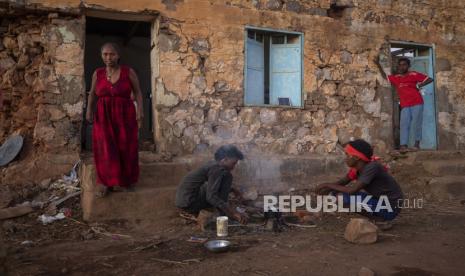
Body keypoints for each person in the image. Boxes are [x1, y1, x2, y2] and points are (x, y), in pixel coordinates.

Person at [86, 42, 144, 197]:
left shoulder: (128, 72)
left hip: (125, 114)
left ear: (118, 56)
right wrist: (89, 111)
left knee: (126, 146)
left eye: (112, 54)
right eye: (105, 54)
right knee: (105, 148)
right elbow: (92, 93)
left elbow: (138, 92)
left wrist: (140, 111)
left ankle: (126, 181)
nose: (108, 57)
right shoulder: (97, 73)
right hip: (103, 115)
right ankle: (106, 182)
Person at [315, 139, 404, 221]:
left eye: (347, 155)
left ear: (356, 157)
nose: (345, 158)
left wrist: (326, 185)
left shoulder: (372, 168)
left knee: (342, 198)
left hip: (390, 208)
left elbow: (351, 190)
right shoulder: (357, 170)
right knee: (334, 193)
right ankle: (376, 218)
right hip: (378, 201)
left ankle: (379, 220)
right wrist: (327, 190)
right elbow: (341, 183)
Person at [175, 145, 248, 224]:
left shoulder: (213, 164)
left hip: (183, 201)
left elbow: (213, 184)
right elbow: (211, 197)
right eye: (233, 163)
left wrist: (233, 189)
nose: (234, 167)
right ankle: (223, 215)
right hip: (189, 204)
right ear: (225, 159)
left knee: (221, 179)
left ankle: (223, 211)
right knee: (227, 177)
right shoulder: (218, 169)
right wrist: (232, 213)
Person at [382, 57, 433, 152]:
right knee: (404, 124)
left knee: (416, 123)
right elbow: (385, 77)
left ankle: (416, 144)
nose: (402, 66)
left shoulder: (414, 74)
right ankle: (403, 145)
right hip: (405, 104)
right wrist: (378, 65)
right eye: (400, 65)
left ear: (408, 66)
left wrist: (419, 85)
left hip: (417, 102)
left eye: (404, 64)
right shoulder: (396, 78)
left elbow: (430, 79)